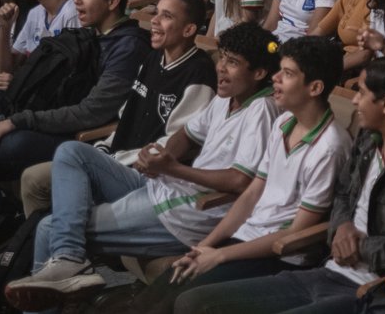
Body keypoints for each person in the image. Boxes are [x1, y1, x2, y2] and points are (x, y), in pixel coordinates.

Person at [2, 22, 277, 311]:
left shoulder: (261, 110)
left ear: (258, 73)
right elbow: (187, 134)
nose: (221, 68)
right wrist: (160, 159)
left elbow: (239, 182)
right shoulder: (226, 99)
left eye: (233, 63)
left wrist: (173, 169)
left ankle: (69, 261)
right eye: (222, 57)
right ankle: (69, 260)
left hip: (185, 214)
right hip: (163, 188)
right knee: (72, 152)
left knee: (49, 228)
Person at [174, 56, 385, 314]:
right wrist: (341, 227)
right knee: (193, 302)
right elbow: (343, 194)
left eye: (362, 93)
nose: (354, 100)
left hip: (374, 287)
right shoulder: (368, 137)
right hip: (329, 269)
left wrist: (363, 248)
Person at [120, 37, 352, 314]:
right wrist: (204, 246)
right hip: (245, 237)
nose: (275, 78)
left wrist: (219, 255)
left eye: (287, 74)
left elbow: (295, 232)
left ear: (315, 87)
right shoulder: (283, 123)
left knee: (184, 299)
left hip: (280, 254)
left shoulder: (330, 147)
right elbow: (252, 193)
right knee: (164, 285)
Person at [0, 0, 150, 278]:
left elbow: (93, 111)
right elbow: (12, 74)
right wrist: (7, 30)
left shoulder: (126, 44)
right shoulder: (88, 34)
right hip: (53, 123)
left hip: (82, 140)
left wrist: (19, 120)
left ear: (113, 1)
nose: (76, 0)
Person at [15, 0, 216, 219]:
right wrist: (103, 149)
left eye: (166, 16)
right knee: (32, 179)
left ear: (189, 30)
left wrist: (115, 160)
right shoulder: (153, 58)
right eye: (156, 12)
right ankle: (46, 243)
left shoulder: (199, 72)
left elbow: (176, 142)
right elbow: (126, 118)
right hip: (116, 159)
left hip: (144, 173)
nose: (154, 21)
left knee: (64, 160)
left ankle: (60, 242)